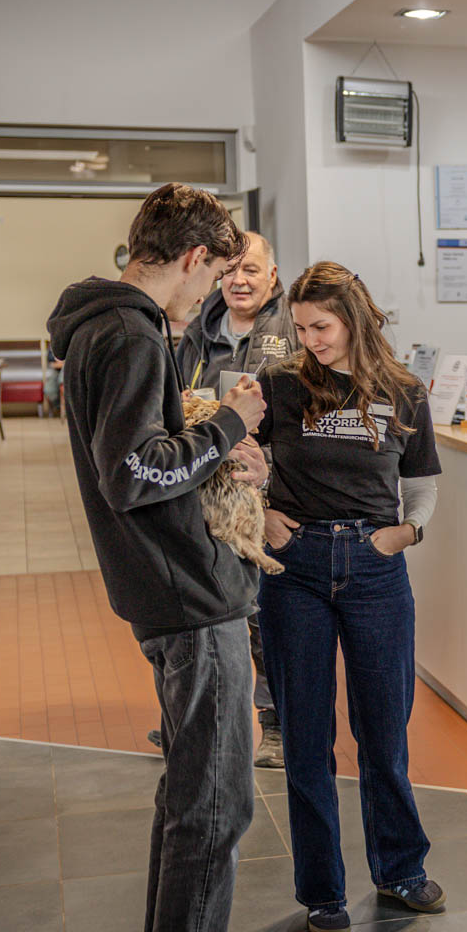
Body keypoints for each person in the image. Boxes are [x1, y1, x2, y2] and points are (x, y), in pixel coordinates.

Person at [47, 182, 286, 932]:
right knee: (216, 797)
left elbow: (136, 456)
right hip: (185, 592)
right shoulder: (129, 333)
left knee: (198, 788)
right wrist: (227, 426)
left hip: (173, 585)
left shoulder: (108, 327)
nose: (215, 290)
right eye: (216, 274)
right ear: (193, 258)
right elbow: (136, 473)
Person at [254, 261, 444, 932]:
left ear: (354, 320)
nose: (310, 340)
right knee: (306, 741)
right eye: (302, 328)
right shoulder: (278, 383)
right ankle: (322, 892)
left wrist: (406, 533)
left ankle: (400, 868)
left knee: (384, 734)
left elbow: (421, 483)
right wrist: (260, 515)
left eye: (322, 327)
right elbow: (238, 462)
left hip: (375, 568)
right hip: (295, 568)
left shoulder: (404, 391)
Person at [174, 232, 298, 769]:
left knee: (264, 618)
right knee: (208, 610)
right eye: (231, 271)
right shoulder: (199, 332)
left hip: (268, 492)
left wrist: (273, 484)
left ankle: (276, 725)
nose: (239, 281)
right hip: (207, 488)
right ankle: (200, 720)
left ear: (273, 275)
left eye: (252, 270)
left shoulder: (292, 331)